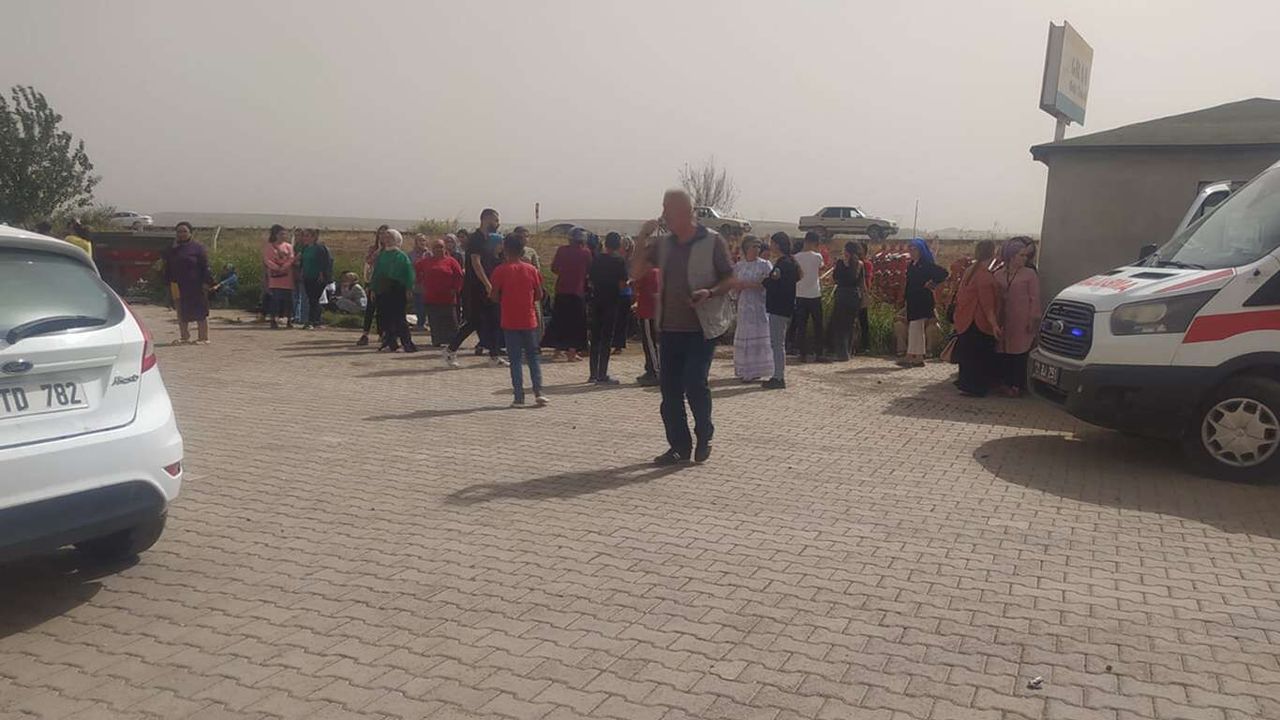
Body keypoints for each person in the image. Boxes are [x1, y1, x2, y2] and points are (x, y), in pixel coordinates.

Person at [633, 189, 734, 465]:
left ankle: (704, 436)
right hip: (670, 328)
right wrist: (642, 237)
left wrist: (710, 292)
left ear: (686, 212)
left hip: (702, 329)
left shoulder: (712, 241)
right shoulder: (664, 244)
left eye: (669, 209)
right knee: (670, 392)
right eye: (663, 208)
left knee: (694, 383)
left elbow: (729, 278)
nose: (664, 214)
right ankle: (679, 446)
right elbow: (636, 271)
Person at [490, 235, 549, 408]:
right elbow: (539, 294)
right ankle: (538, 391)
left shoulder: (500, 271)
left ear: (505, 249)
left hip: (509, 320)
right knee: (533, 357)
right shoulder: (531, 270)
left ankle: (518, 397)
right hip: (529, 319)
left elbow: (493, 296)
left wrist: (505, 299)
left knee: (515, 359)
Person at [445, 209, 506, 368]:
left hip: (488, 286)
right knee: (474, 321)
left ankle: (494, 356)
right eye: (495, 220)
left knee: (494, 320)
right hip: (476, 287)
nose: (497, 223)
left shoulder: (489, 239)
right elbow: (475, 263)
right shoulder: (476, 238)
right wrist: (487, 284)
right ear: (485, 219)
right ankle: (451, 350)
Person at [953, 240, 1002, 396]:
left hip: (965, 320)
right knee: (979, 356)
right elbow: (987, 305)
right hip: (978, 322)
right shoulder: (984, 276)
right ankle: (976, 387)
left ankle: (966, 384)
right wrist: (994, 325)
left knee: (967, 356)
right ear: (992, 253)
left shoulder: (970, 271)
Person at [995, 237, 1040, 397]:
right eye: (1021, 255)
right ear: (1012, 256)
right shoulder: (999, 274)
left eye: (1025, 255)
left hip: (1022, 319)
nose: (1024, 258)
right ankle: (1004, 382)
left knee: (1020, 352)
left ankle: (1016, 385)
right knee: (1004, 350)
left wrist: (1033, 318)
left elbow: (1035, 298)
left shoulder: (1029, 274)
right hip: (1005, 319)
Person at [543, 228, 592, 362]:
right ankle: (572, 352)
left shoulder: (562, 250)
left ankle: (557, 351)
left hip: (561, 290)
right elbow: (590, 270)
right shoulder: (586, 252)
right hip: (577, 291)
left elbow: (554, 268)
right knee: (576, 323)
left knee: (559, 320)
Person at [731, 235, 774, 382]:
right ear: (746, 249)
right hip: (744, 305)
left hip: (759, 305)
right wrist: (736, 288)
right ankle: (744, 370)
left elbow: (769, 284)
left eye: (758, 247)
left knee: (758, 333)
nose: (756, 250)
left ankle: (758, 370)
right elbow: (733, 286)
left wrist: (749, 285)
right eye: (753, 247)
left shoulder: (765, 265)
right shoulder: (739, 266)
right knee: (745, 334)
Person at [900, 238, 948, 368]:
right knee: (915, 328)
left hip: (922, 300)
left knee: (915, 327)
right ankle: (918, 356)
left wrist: (932, 283)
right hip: (912, 299)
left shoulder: (926, 264)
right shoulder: (912, 265)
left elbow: (943, 273)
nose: (912, 251)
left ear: (921, 250)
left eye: (914, 249)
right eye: (910, 249)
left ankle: (912, 355)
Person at [587, 232, 629, 385]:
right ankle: (602, 374)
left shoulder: (597, 259)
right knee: (606, 338)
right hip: (612, 301)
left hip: (597, 300)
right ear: (618, 245)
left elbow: (590, 281)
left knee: (595, 337)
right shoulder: (619, 261)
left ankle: (593, 373)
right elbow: (622, 284)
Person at [762, 232, 801, 390]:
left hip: (779, 307)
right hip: (785, 307)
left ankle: (778, 377)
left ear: (777, 245)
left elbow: (777, 285)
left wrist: (766, 281)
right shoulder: (790, 263)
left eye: (772, 243)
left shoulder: (782, 264)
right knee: (778, 343)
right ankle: (778, 375)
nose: (770, 246)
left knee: (777, 344)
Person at [164, 222, 215, 344]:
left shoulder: (198, 248)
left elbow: (205, 266)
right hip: (177, 284)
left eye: (184, 231)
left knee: (200, 311)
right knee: (180, 310)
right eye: (179, 232)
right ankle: (184, 336)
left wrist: (207, 282)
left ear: (190, 233)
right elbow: (167, 265)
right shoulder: (172, 249)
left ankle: (203, 337)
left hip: (195, 284)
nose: (181, 234)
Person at [369, 229, 417, 352]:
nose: (387, 239)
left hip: (397, 288)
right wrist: (373, 288)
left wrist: (408, 288)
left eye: (390, 237)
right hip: (383, 288)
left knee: (399, 317)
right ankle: (390, 343)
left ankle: (407, 343)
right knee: (385, 317)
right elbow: (377, 272)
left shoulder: (401, 256)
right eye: (385, 237)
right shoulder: (381, 255)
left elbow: (408, 273)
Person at [416, 237, 464, 346]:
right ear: (432, 249)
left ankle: (453, 343)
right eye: (436, 247)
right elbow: (415, 270)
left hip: (448, 298)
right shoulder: (426, 261)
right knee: (435, 320)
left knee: (451, 321)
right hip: (431, 297)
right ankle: (437, 340)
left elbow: (459, 276)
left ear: (445, 248)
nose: (438, 249)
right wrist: (419, 283)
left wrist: (456, 289)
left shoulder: (451, 261)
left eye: (441, 247)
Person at [826, 241, 866, 361]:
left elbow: (835, 278)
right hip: (854, 295)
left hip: (842, 294)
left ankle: (841, 352)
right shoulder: (860, 264)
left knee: (839, 325)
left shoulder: (840, 263)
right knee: (850, 325)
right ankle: (849, 350)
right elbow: (862, 283)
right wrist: (864, 297)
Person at [792, 231, 827, 363]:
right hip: (814, 294)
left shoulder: (795, 257)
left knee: (801, 326)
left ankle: (802, 353)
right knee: (818, 325)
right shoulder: (817, 257)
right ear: (815, 243)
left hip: (800, 294)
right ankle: (819, 353)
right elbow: (821, 268)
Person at [356, 225, 388, 346]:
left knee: (382, 309)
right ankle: (365, 333)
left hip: (385, 282)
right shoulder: (373, 249)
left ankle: (382, 333)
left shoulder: (391, 250)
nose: (382, 236)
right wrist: (378, 251)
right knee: (370, 308)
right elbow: (368, 262)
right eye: (380, 233)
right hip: (372, 281)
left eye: (385, 233)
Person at [633, 261, 661, 386]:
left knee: (651, 344)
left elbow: (655, 294)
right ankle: (650, 368)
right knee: (647, 344)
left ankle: (656, 372)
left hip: (649, 313)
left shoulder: (651, 273)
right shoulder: (651, 273)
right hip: (646, 312)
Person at [262, 224, 295, 329]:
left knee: (288, 300)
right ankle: (273, 319)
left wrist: (285, 266)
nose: (283, 236)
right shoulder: (269, 246)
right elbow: (267, 259)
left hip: (287, 277)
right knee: (275, 300)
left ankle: (289, 319)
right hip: (275, 277)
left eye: (284, 234)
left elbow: (291, 258)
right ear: (275, 235)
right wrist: (276, 267)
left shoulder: (288, 246)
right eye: (281, 234)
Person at [299, 229, 332, 330]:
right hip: (307, 276)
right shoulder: (305, 248)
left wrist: (322, 274)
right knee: (311, 299)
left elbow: (325, 262)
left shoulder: (320, 248)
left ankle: (312, 321)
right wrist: (301, 272)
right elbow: (303, 262)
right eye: (304, 236)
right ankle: (315, 320)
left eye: (307, 236)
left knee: (314, 299)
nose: (305, 238)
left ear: (314, 237)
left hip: (317, 278)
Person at [612, 235, 636, 354]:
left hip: (625, 292)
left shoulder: (630, 261)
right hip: (615, 291)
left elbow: (633, 276)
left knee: (621, 320)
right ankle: (614, 343)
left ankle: (619, 345)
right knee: (615, 319)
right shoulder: (616, 259)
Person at [408, 233, 432, 331]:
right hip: (415, 282)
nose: (422, 242)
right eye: (420, 240)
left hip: (426, 282)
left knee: (425, 303)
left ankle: (425, 322)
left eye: (423, 240)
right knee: (417, 304)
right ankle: (420, 323)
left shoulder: (429, 254)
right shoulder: (411, 254)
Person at [856, 242, 874, 353]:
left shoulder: (867, 264)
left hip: (862, 294)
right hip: (853, 294)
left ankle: (865, 345)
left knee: (863, 320)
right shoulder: (853, 263)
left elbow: (867, 280)